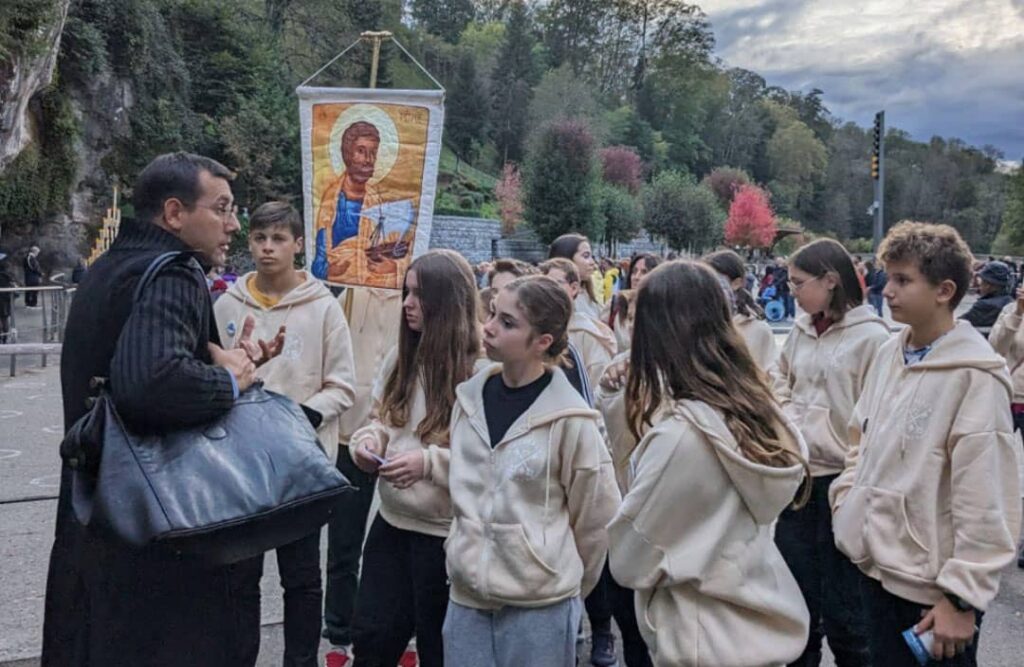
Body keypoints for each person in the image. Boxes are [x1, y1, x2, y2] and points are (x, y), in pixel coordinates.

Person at [42, 151, 284, 666]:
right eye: (222, 208)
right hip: (155, 538)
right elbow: (153, 382)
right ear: (174, 214)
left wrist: (214, 358)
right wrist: (229, 378)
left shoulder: (106, 269)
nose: (234, 225)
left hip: (94, 517)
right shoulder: (174, 273)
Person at [830, 221, 1022, 667]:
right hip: (875, 567)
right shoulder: (888, 353)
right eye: (888, 277)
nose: (888, 290)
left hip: (932, 592)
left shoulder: (975, 376)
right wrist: (849, 502)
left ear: (944, 290)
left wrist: (962, 598)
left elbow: (985, 495)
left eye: (903, 280)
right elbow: (861, 437)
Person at [605, 260, 811, 667]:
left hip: (697, 634)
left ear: (656, 330)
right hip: (753, 619)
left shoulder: (681, 437)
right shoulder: (756, 410)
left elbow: (629, 557)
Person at [442, 275, 620, 667]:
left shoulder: (572, 420)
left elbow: (596, 519)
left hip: (540, 606)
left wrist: (556, 577)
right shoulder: (468, 399)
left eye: (508, 323)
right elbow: (464, 484)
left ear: (542, 342)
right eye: (492, 314)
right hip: (466, 598)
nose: (488, 328)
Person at [214, 201, 357, 667]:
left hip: (300, 463)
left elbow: (342, 385)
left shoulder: (323, 309)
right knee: (239, 576)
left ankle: (301, 661)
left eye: (279, 239)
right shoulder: (227, 305)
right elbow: (207, 371)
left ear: (299, 244)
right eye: (259, 238)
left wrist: (303, 417)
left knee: (301, 577)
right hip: (240, 465)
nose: (267, 248)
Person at [347, 250, 483, 667]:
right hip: (391, 525)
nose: (406, 303)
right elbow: (382, 421)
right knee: (371, 637)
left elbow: (490, 463)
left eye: (418, 295)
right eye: (406, 291)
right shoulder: (401, 357)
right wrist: (367, 444)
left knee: (438, 650)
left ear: (448, 301)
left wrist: (429, 464)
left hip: (447, 536)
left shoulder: (483, 372)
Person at [769, 239, 889, 667]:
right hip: (797, 481)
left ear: (831, 281)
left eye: (799, 282)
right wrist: (786, 417)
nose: (792, 291)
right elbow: (779, 380)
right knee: (796, 607)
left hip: (844, 484)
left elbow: (876, 414)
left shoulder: (874, 339)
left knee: (846, 616)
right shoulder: (800, 331)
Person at [539, 257, 626, 666]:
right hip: (548, 462)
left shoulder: (587, 338)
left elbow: (595, 398)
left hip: (588, 449)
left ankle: (602, 628)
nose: (551, 289)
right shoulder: (533, 333)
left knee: (594, 539)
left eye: (558, 282)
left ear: (575, 287)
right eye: (545, 282)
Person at [323, 284, 404, 667]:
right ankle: (339, 627)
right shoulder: (352, 295)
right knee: (344, 541)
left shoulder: (413, 299)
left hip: (401, 435)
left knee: (403, 541)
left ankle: (404, 631)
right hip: (349, 434)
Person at [987, 284, 1024, 570]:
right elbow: (995, 348)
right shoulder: (1010, 311)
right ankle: (989, 536)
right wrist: (1017, 315)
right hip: (1008, 397)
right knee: (990, 466)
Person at [540, 258, 616, 390]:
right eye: (541, 286)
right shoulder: (535, 328)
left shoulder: (588, 334)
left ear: (574, 288)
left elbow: (598, 386)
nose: (546, 292)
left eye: (555, 284)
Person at [704, 249, 776, 371]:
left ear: (737, 283)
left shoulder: (758, 330)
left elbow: (770, 376)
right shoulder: (697, 325)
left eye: (715, 282)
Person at [549, 233, 601, 319]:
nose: (593, 262)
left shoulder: (587, 293)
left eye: (592, 256)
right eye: (586, 256)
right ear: (566, 259)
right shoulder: (555, 300)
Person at [960, 260, 1013, 332]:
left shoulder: (984, 305)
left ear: (987, 285)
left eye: (981, 281)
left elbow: (958, 324)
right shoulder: (1010, 302)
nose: (979, 285)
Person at [0, 253, 14, 343]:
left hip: (3, 297)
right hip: (5, 298)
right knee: (4, 317)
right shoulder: (7, 274)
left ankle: (3, 336)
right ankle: (5, 336)